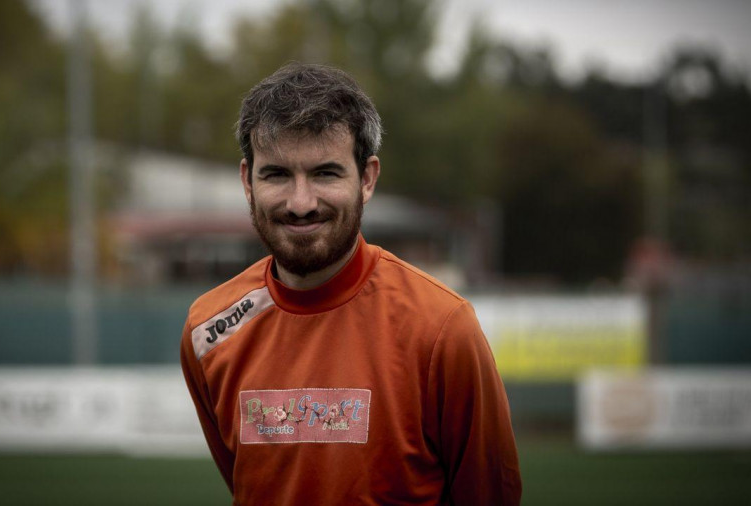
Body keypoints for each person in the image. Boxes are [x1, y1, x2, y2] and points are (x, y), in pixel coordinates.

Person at [180, 62, 522, 505]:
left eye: (325, 173)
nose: (300, 203)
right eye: (277, 174)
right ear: (248, 181)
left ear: (367, 178)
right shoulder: (208, 332)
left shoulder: (443, 329)